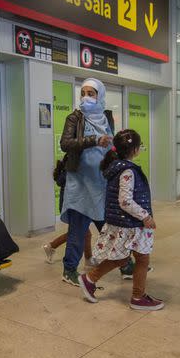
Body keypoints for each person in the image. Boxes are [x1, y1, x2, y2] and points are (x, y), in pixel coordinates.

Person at [80, 129, 164, 310]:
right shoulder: (128, 171)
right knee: (142, 260)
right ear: (134, 150)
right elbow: (125, 201)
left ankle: (89, 279)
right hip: (132, 224)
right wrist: (146, 216)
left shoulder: (116, 167)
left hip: (122, 223)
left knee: (121, 258)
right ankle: (138, 297)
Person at [57, 78, 113, 286]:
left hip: (100, 182)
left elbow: (110, 144)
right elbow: (65, 143)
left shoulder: (106, 118)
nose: (86, 97)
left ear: (100, 96)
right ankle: (69, 269)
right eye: (84, 93)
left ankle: (124, 264)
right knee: (78, 230)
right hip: (80, 182)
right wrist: (93, 141)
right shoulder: (74, 117)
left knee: (109, 228)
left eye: (92, 93)